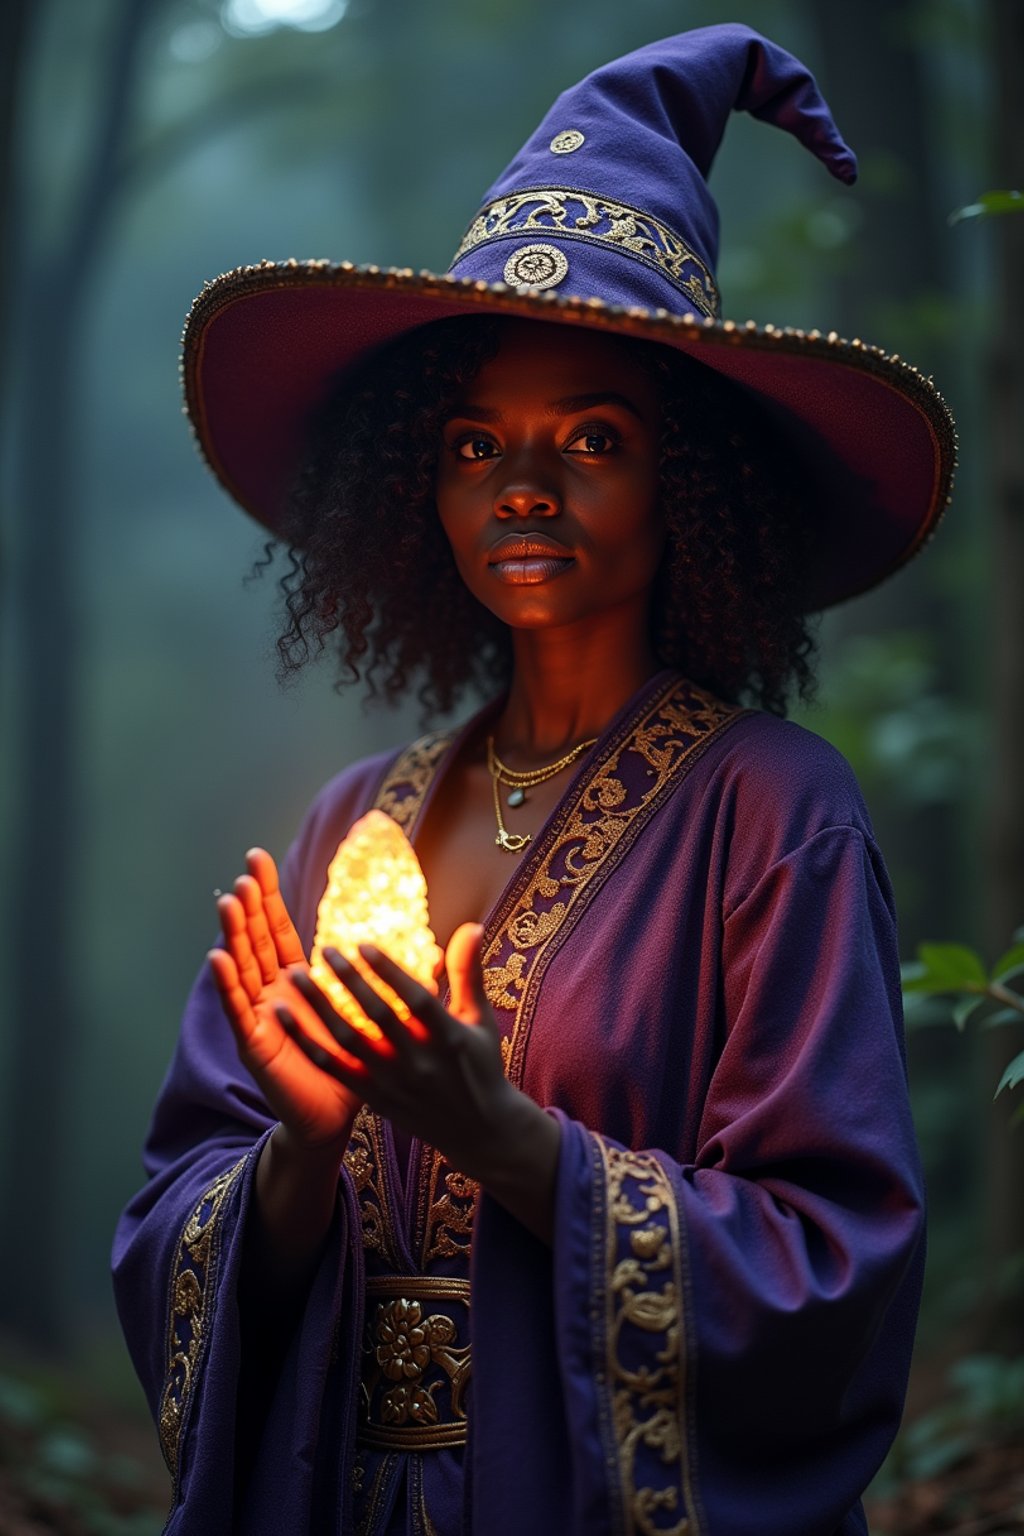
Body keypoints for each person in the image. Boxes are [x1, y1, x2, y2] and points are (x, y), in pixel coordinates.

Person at [112, 23, 956, 1536]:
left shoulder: (774, 810)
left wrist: (510, 1141)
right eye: (474, 440)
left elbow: (835, 1266)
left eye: (593, 437)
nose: (523, 482)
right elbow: (176, 1222)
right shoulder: (344, 829)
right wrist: (301, 1148)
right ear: (415, 486)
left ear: (685, 480)